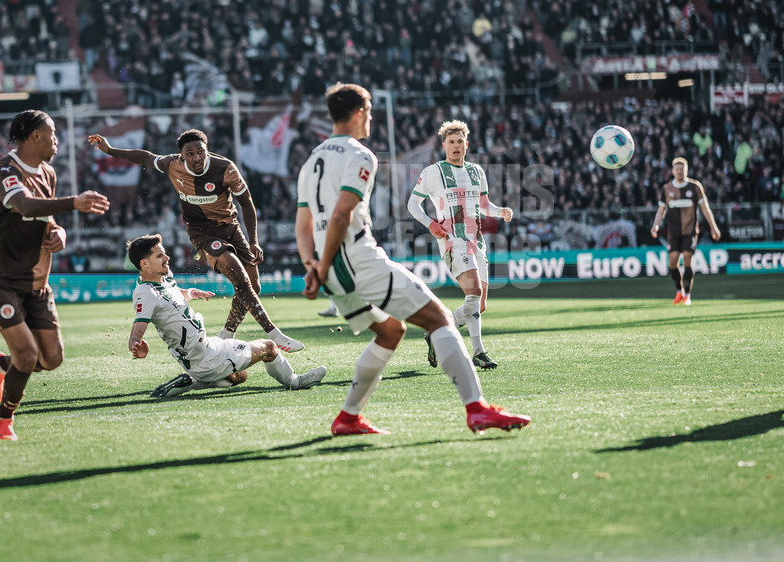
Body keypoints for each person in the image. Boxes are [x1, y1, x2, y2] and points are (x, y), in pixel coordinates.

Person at [295, 82, 530, 436]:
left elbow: (304, 223)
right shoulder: (360, 156)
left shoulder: (312, 160)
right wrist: (323, 264)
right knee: (440, 319)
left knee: (390, 332)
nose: (371, 118)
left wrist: (312, 265)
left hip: (333, 270)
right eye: (370, 111)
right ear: (359, 113)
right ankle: (477, 409)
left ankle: (348, 417)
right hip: (358, 258)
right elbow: (342, 215)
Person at [88, 129, 303, 354]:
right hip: (202, 232)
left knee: (253, 285)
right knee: (238, 275)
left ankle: (227, 333)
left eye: (201, 152)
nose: (197, 157)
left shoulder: (226, 168)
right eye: (190, 153)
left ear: (207, 151)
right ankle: (275, 334)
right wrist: (110, 150)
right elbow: (145, 157)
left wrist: (254, 241)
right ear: (181, 156)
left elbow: (247, 204)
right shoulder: (171, 165)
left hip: (231, 228)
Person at [0, 110, 110, 440]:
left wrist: (59, 234)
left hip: (35, 278)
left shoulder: (47, 172)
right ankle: (4, 420)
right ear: (34, 137)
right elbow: (24, 206)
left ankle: (3, 366)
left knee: (52, 358)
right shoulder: (4, 171)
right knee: (29, 354)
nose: (57, 141)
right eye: (52, 134)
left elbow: (44, 217)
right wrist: (74, 204)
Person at [125, 234, 326, 397]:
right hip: (205, 358)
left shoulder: (163, 279)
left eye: (164, 253)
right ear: (144, 264)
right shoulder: (146, 294)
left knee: (240, 376)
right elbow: (137, 330)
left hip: (202, 353)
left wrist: (190, 293)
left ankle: (191, 383)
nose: (166, 258)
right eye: (159, 256)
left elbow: (171, 299)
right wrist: (136, 344)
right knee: (269, 348)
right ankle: (295, 382)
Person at [408, 119, 512, 369]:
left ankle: (436, 332)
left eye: (459, 142)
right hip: (453, 241)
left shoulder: (477, 171)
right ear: (444, 145)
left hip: (477, 242)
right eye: (451, 142)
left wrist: (501, 212)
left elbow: (485, 205)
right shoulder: (433, 172)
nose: (456, 146)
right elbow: (413, 204)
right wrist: (431, 224)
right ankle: (479, 351)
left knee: (479, 304)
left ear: (467, 144)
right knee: (474, 293)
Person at [649, 157, 721, 305]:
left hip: (690, 231)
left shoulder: (695, 187)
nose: (680, 171)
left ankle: (687, 295)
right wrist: (656, 225)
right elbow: (661, 210)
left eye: (682, 169)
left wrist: (713, 227)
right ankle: (678, 291)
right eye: (677, 169)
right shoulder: (666, 189)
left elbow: (705, 208)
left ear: (686, 170)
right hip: (673, 232)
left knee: (687, 258)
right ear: (673, 171)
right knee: (673, 262)